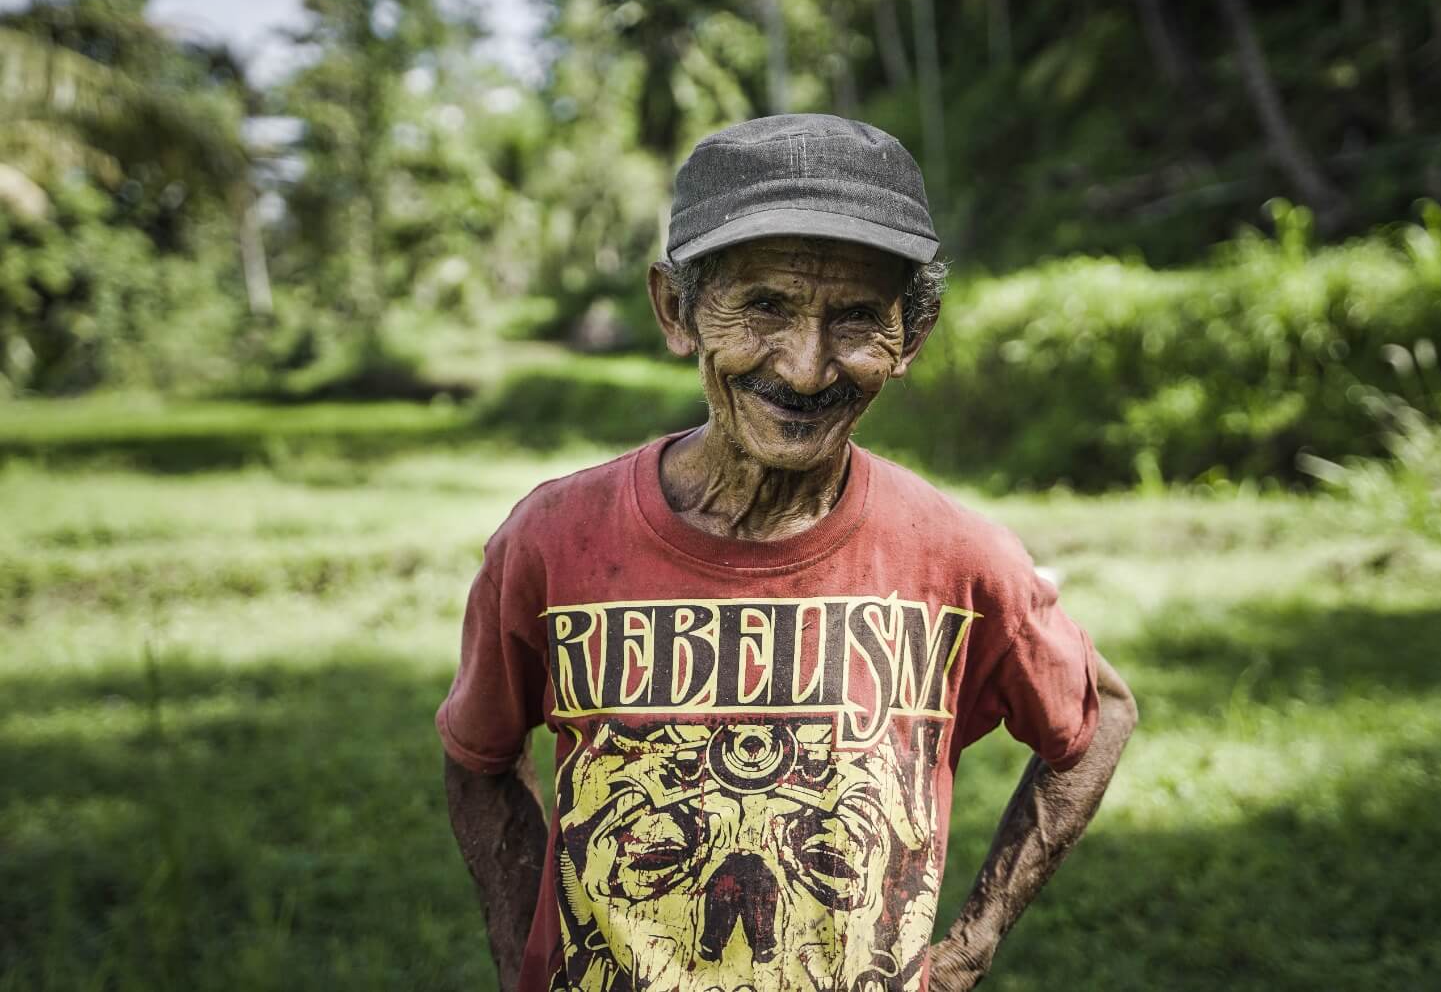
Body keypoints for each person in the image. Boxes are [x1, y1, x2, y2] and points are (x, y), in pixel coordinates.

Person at [438, 113, 1138, 992]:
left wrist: (971, 945)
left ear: (911, 337)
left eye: (856, 319)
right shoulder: (552, 540)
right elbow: (479, 758)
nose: (806, 370)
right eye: (764, 305)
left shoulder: (954, 556)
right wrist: (525, 964)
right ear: (677, 311)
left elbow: (1098, 714)